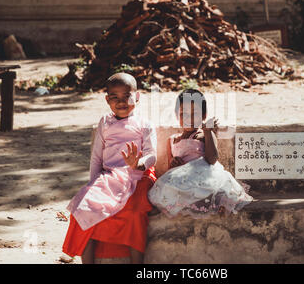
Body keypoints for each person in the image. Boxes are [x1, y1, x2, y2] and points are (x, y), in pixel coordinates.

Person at [62, 72, 157, 264]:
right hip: (109, 177)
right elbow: (97, 157)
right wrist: (92, 185)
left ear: (137, 97)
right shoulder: (105, 122)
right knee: (82, 209)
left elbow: (152, 155)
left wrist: (137, 163)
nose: (121, 102)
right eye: (115, 98)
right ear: (107, 100)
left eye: (127, 96)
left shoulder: (144, 124)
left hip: (137, 177)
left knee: (134, 214)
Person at [148, 89, 253, 218]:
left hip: (203, 177)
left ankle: (218, 203)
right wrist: (174, 163)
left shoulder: (203, 135)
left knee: (214, 189)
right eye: (183, 114)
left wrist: (209, 132)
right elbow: (170, 168)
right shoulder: (172, 140)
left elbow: (212, 159)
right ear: (176, 115)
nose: (189, 118)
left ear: (204, 116)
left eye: (194, 113)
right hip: (182, 179)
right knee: (166, 188)